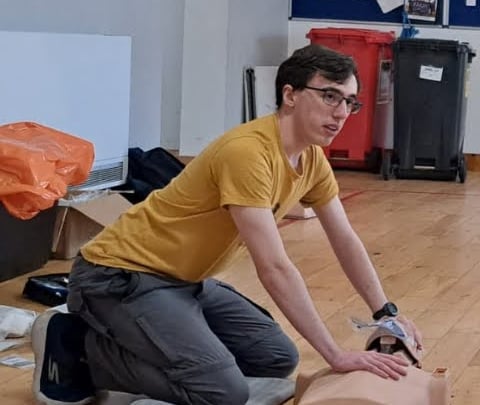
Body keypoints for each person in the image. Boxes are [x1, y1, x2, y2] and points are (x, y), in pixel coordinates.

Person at [30, 44, 424, 405]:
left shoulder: (311, 159)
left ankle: (158, 343)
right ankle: (78, 347)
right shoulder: (248, 153)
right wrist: (336, 355)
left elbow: (345, 240)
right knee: (222, 391)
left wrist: (384, 313)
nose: (340, 113)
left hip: (184, 282)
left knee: (276, 357)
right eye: (329, 96)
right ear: (290, 94)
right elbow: (273, 268)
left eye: (349, 102)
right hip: (118, 276)